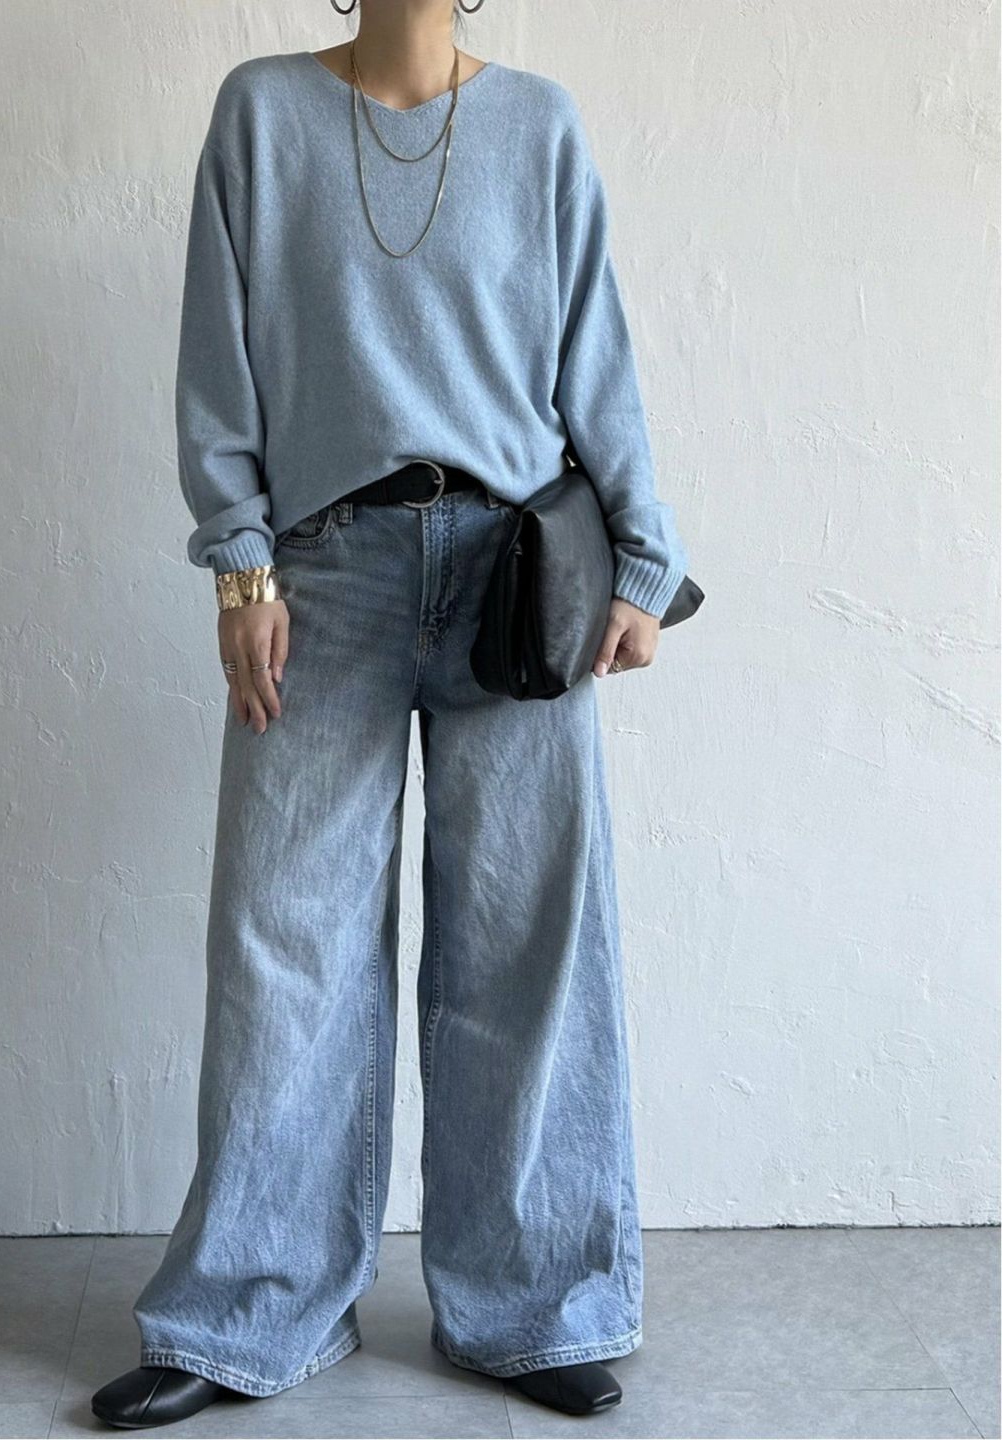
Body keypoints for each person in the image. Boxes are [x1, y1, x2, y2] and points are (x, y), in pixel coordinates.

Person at [92, 0, 690, 1428]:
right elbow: (219, 353)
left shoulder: (538, 127)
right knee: (283, 947)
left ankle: (537, 1310)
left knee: (525, 945)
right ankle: (250, 1311)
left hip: (519, 575)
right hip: (325, 575)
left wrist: (645, 561)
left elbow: (594, 353)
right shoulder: (261, 113)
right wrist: (240, 567)